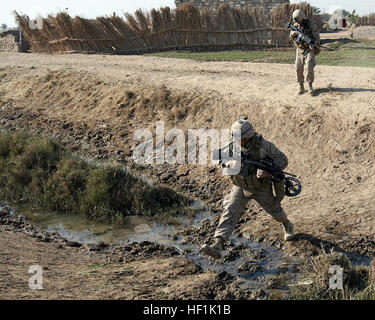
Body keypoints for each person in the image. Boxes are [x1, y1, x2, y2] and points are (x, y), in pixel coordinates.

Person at [201, 119, 294, 260]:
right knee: (230, 210)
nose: (237, 141)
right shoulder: (232, 147)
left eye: (241, 139)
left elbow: (283, 160)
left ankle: (287, 225)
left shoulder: (265, 146)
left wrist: (267, 172)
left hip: (261, 187)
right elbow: (215, 157)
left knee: (275, 211)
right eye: (236, 138)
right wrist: (225, 163)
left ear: (248, 137)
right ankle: (217, 245)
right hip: (241, 186)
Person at [290, 9, 321, 96]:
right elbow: (291, 34)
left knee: (309, 67)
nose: (298, 22)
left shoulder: (311, 24)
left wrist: (314, 44)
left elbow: (316, 36)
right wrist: (292, 34)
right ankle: (301, 86)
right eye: (296, 21)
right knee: (298, 68)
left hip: (309, 48)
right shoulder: (296, 25)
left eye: (299, 21)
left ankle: (310, 85)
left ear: (302, 18)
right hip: (300, 49)